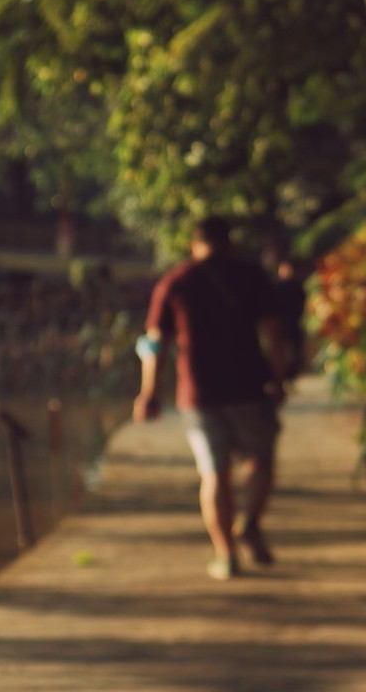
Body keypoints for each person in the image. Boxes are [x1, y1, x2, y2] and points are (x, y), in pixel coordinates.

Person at [133, 215, 287, 580]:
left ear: (193, 243)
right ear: (229, 242)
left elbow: (155, 344)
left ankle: (225, 553)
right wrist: (278, 379)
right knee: (260, 460)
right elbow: (274, 332)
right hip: (249, 386)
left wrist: (148, 393)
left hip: (198, 393)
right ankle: (249, 524)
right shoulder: (250, 276)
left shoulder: (176, 281)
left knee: (214, 473)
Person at [273, 257, 307, 391]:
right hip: (281, 324)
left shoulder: (297, 286)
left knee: (295, 351)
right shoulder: (275, 286)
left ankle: (290, 377)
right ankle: (282, 377)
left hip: (293, 322)